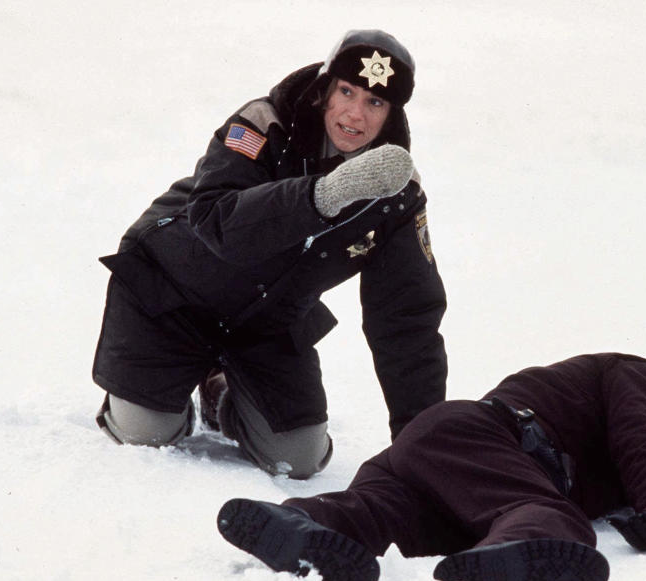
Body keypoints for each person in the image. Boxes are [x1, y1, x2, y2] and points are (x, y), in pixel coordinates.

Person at [91, 29, 447, 479]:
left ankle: (220, 391)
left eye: (375, 102)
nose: (355, 114)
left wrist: (423, 444)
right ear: (324, 89)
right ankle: (157, 393)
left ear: (392, 114)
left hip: (266, 321)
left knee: (298, 460)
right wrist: (324, 195)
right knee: (147, 433)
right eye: (347, 91)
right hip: (171, 292)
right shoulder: (263, 122)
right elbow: (216, 223)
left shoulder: (397, 193)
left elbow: (406, 319)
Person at [216, 352, 646, 581]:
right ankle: (525, 546)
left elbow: (639, 456)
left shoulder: (613, 453)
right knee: (543, 514)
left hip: (441, 461)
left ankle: (302, 525)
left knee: (376, 514)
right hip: (488, 438)